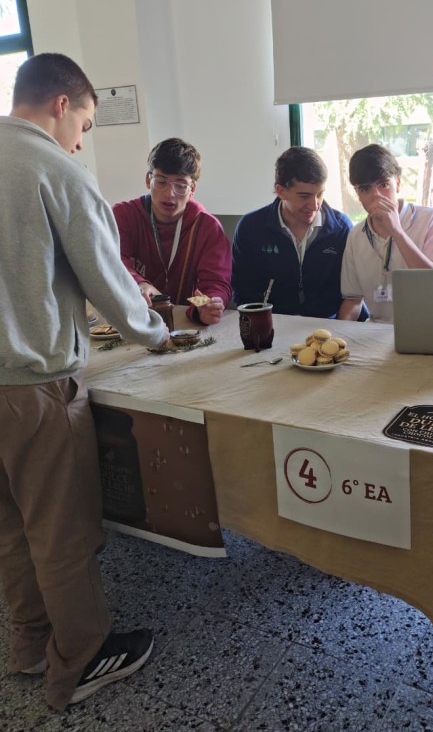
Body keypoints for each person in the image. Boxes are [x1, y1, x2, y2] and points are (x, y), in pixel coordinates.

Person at [0, 53, 171, 710]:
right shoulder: (54, 168)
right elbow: (112, 288)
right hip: (32, 389)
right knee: (59, 532)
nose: (82, 139)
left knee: (11, 528)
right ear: (62, 104)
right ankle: (81, 662)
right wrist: (156, 334)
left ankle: (28, 645)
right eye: (87, 123)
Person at [112, 138, 231, 326]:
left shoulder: (207, 227)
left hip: (187, 322)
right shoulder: (123, 216)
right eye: (161, 181)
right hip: (135, 317)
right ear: (147, 180)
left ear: (192, 189)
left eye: (181, 185)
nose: (170, 194)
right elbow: (112, 260)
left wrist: (209, 305)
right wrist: (139, 283)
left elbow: (216, 282)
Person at [231, 146, 352, 318]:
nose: (314, 205)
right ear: (281, 191)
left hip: (329, 327)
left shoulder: (341, 228)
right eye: (304, 196)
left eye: (320, 194)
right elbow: (242, 291)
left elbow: (353, 295)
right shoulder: (250, 228)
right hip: (273, 325)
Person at [338, 144, 433, 323]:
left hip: (426, 330)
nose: (376, 196)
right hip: (375, 333)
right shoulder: (356, 235)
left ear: (398, 183)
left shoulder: (430, 220)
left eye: (384, 184)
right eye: (365, 189)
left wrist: (397, 232)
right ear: (357, 194)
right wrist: (340, 337)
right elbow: (353, 301)